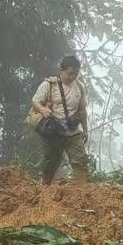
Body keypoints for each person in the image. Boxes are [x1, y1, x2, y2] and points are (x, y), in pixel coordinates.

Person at [30, 55, 90, 186]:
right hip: (54, 130)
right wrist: (43, 110)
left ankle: (82, 192)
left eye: (75, 74)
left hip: (73, 130)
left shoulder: (80, 86)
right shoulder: (49, 85)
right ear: (61, 71)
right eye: (69, 73)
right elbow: (35, 101)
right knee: (50, 162)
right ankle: (45, 190)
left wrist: (85, 130)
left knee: (80, 161)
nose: (72, 77)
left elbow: (82, 110)